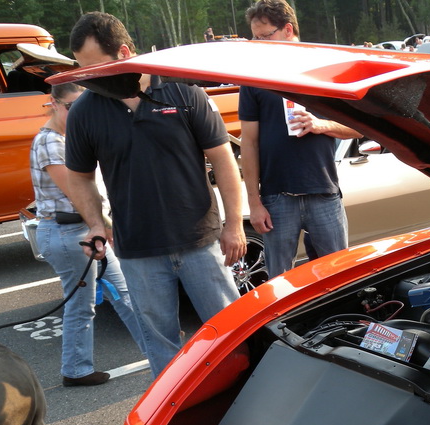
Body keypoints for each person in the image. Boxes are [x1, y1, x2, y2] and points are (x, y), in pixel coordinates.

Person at [64, 12, 245, 378]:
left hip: (200, 242)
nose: (91, 79)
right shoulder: (84, 111)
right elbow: (79, 177)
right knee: (160, 341)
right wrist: (95, 224)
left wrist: (235, 223)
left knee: (230, 330)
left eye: (96, 68)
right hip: (138, 251)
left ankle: (250, 393)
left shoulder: (183, 92)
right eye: (84, 71)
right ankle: (177, 419)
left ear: (124, 52)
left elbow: (224, 160)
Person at [31, 83, 146, 386]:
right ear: (52, 104)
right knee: (85, 305)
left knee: (124, 295)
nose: (78, 113)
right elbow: (76, 192)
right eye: (71, 106)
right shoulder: (50, 142)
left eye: (82, 106)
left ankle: (162, 351)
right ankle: (76, 369)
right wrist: (107, 226)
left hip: (80, 229)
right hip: (67, 233)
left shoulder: (66, 137)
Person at [240, 0, 361, 280]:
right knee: (279, 282)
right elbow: (248, 143)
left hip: (323, 192)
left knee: (338, 276)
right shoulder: (252, 76)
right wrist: (254, 203)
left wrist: (321, 125)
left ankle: (338, 323)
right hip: (276, 196)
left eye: (264, 36)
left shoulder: (325, 70)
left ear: (287, 29)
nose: (258, 43)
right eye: (254, 38)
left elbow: (357, 129)